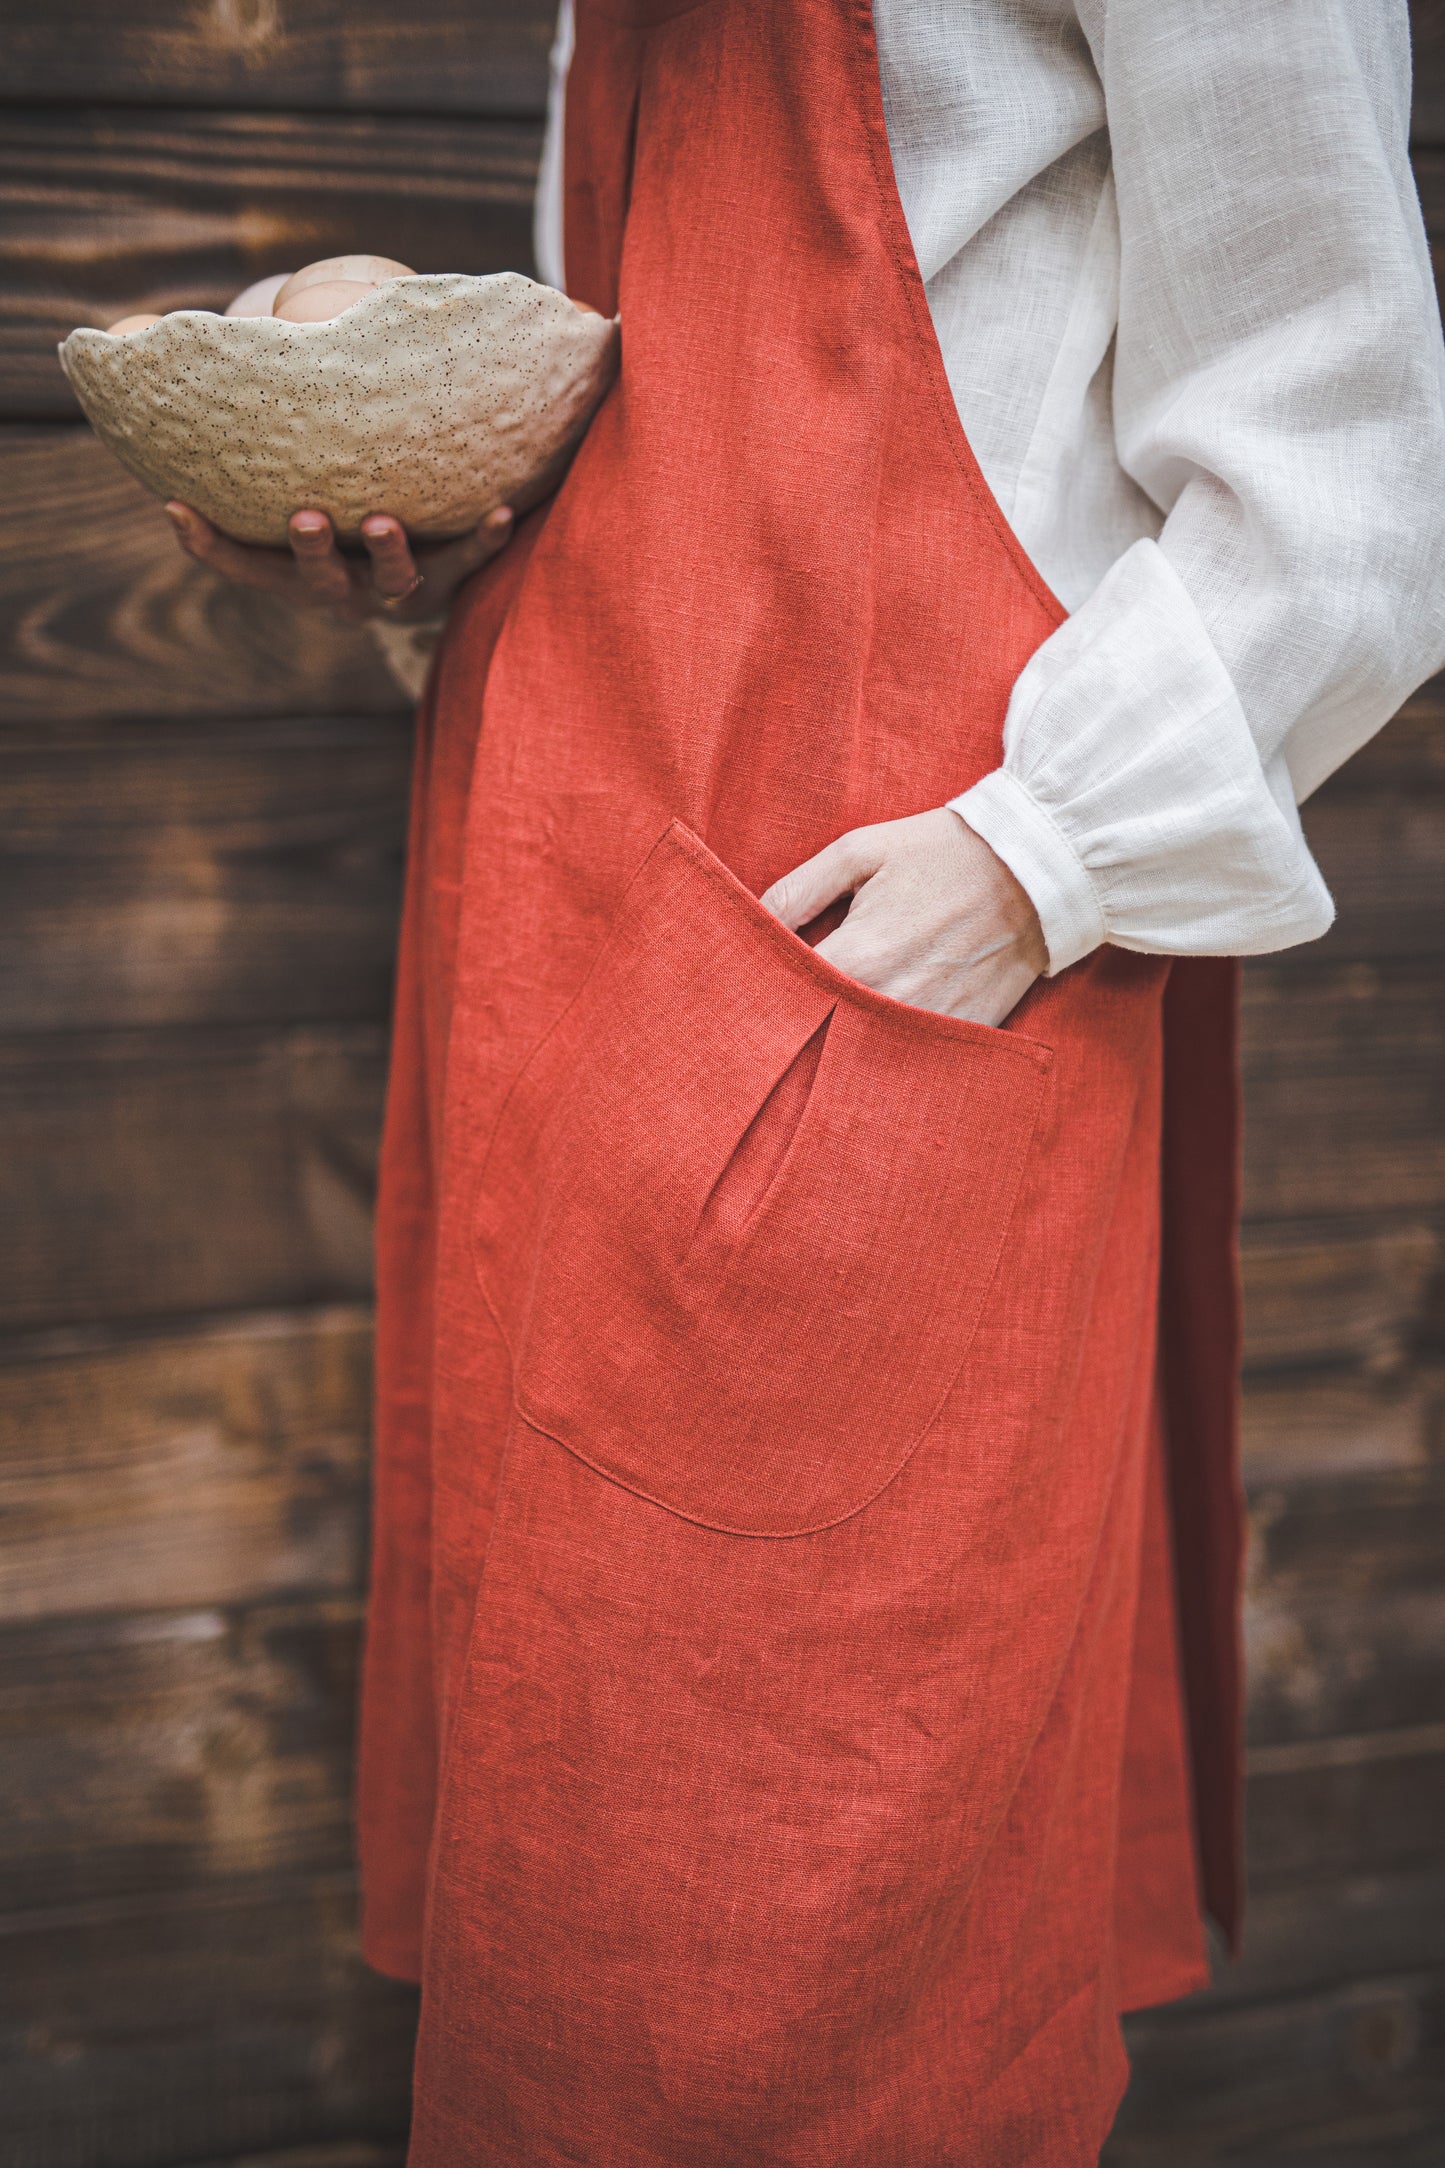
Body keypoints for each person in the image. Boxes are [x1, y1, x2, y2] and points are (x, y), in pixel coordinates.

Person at [167, 3, 1445, 2159]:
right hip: (582, 957)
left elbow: (1349, 469)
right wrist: (449, 528)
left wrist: (1034, 863)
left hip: (864, 1003)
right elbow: (694, 434)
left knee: (779, 2027)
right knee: (572, 1929)